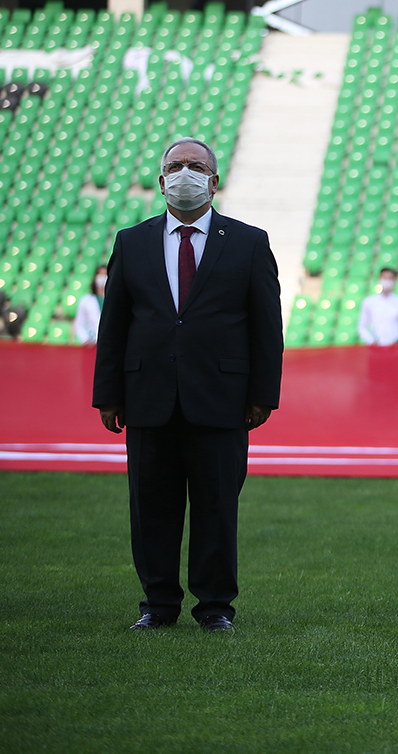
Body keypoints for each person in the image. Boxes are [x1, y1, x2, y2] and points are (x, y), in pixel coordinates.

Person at [93, 137, 283, 634]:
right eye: (175, 166)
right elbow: (114, 324)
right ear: (160, 182)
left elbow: (266, 325)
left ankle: (215, 606)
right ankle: (157, 605)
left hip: (221, 400)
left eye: (195, 166)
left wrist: (264, 394)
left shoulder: (248, 242)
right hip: (148, 397)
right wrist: (108, 394)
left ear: (214, 181)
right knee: (151, 506)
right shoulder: (130, 241)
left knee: (217, 507)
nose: (184, 173)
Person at [358, 267, 398, 346]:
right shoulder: (369, 302)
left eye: (390, 278)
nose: (387, 281)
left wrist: (397, 341)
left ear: (395, 280)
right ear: (379, 279)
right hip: (374, 348)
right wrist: (371, 341)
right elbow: (362, 327)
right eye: (384, 278)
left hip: (394, 348)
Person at [73, 265, 108, 345]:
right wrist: (86, 339)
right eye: (100, 274)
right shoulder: (86, 300)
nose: (102, 277)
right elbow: (79, 324)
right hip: (93, 344)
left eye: (105, 274)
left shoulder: (116, 299)